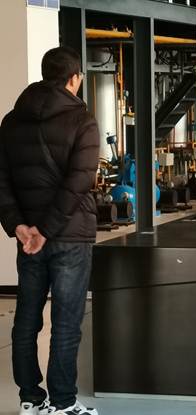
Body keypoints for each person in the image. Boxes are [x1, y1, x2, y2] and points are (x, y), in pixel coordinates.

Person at [0, 46, 100, 415]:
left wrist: (19, 226)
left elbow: (1, 181)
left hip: (28, 239)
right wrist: (46, 230)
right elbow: (79, 183)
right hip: (69, 236)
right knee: (66, 323)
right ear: (74, 79)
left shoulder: (11, 121)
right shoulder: (83, 121)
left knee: (26, 319)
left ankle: (30, 399)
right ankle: (63, 403)